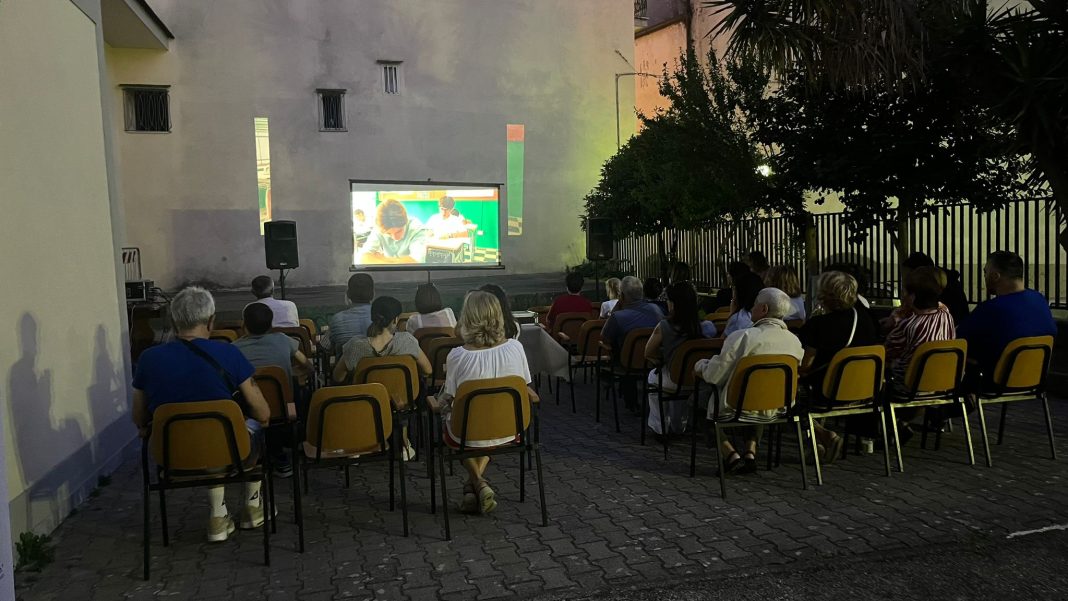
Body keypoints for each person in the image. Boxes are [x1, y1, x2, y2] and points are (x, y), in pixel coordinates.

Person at [131, 287, 271, 542]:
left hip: (171, 455)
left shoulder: (149, 358)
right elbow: (262, 411)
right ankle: (252, 507)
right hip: (230, 454)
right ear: (211, 321)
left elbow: (138, 416)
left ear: (173, 322)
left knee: (209, 435)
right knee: (254, 426)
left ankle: (219, 515)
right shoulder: (228, 353)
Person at [435, 291, 539, 514]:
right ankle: (476, 485)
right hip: (511, 427)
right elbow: (524, 384)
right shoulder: (515, 348)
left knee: (456, 421)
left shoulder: (457, 356)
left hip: (467, 432)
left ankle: (476, 483)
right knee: (484, 424)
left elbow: (450, 397)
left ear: (467, 318)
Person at [695, 288, 803, 475]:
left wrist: (700, 366)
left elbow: (714, 376)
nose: (751, 308)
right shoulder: (794, 342)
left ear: (763, 309)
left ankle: (730, 453)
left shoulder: (741, 337)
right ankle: (750, 450)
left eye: (754, 305)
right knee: (761, 395)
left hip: (735, 405)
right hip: (778, 407)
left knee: (697, 402)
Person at [333, 296, 432, 461]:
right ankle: (404, 443)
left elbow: (337, 377)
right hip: (400, 401)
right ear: (395, 319)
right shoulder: (407, 341)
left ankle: (358, 441)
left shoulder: (355, 346)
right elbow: (428, 370)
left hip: (365, 401)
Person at [796, 271, 878, 461]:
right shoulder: (866, 319)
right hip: (865, 389)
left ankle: (822, 437)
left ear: (823, 294)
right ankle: (817, 444)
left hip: (827, 391)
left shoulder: (818, 324)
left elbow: (806, 365)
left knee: (789, 392)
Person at [234, 302, 313, 476]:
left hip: (248, 410)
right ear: (271, 325)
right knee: (299, 391)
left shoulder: (234, 349)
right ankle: (284, 453)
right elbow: (308, 366)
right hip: (283, 407)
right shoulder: (283, 340)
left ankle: (252, 454)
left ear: (243, 325)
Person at [957, 251, 1057, 388]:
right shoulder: (1039, 299)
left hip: (995, 380)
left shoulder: (991, 309)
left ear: (996, 276)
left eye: (985, 272)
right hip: (1036, 378)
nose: (984, 277)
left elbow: (958, 338)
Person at [884, 266, 956, 441]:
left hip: (909, 384)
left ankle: (883, 427)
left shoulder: (908, 325)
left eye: (904, 292)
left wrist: (895, 319)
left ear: (913, 296)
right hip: (943, 382)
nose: (902, 296)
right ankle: (901, 422)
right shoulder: (945, 313)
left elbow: (888, 352)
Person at [644, 282, 718, 435]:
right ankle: (679, 425)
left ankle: (660, 427)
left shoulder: (664, 326)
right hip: (699, 380)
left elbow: (648, 352)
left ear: (673, 303)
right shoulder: (708, 327)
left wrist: (664, 357)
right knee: (676, 383)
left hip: (674, 378)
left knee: (653, 378)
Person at [602, 276, 664, 412]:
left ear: (622, 296)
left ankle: (631, 403)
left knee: (620, 350)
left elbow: (605, 338)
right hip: (653, 360)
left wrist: (617, 308)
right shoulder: (656, 310)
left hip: (628, 363)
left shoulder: (618, 317)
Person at [355, 199, 433, 264]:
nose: (394, 237)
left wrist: (383, 259)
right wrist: (399, 262)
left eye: (399, 231)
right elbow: (363, 257)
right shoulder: (379, 227)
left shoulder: (417, 228)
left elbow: (416, 262)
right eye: (388, 234)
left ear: (406, 221)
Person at [902, 252, 970, 325]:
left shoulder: (933, 290)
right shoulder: (943, 281)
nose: (907, 281)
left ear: (921, 274)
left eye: (909, 276)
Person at [322, 273, 374, 355]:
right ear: (372, 294)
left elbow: (325, 347)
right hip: (376, 366)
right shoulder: (383, 319)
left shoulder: (337, 319)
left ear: (348, 294)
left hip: (346, 367)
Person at [722, 271, 763, 337]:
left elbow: (722, 342)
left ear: (738, 294)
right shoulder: (766, 315)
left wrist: (732, 313)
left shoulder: (737, 319)